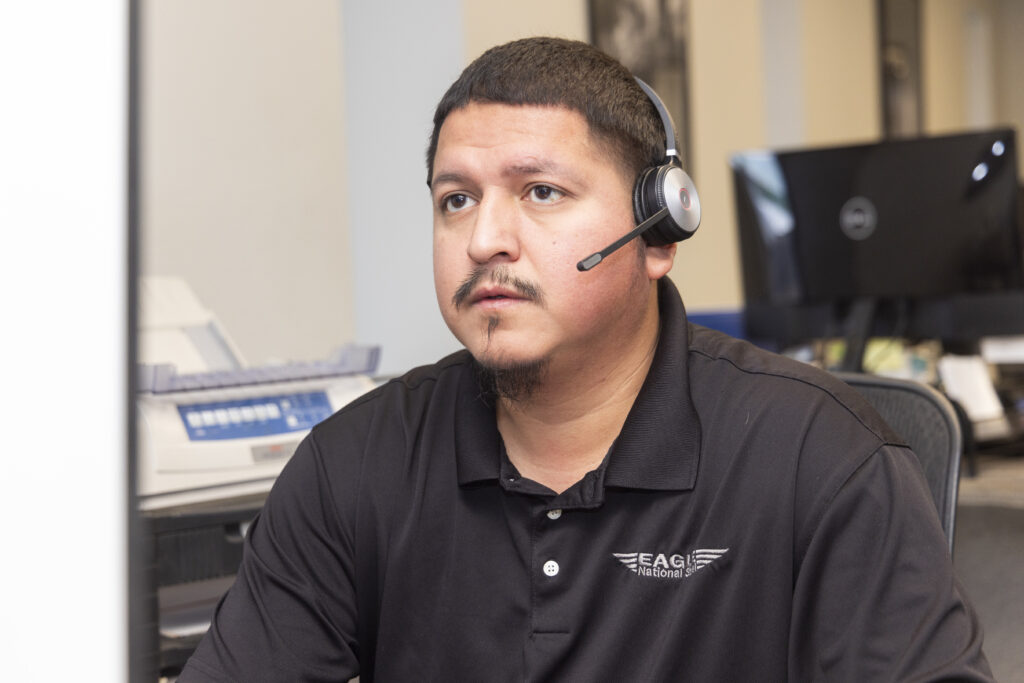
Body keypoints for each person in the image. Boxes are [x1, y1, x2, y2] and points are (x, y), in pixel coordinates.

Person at [180, 37, 992, 682]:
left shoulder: (823, 457)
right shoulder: (353, 464)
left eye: (540, 192)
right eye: (455, 199)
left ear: (657, 234)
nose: (484, 238)